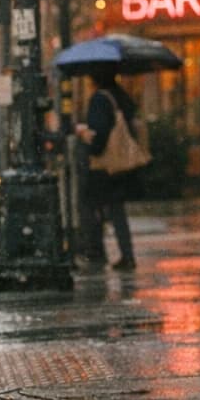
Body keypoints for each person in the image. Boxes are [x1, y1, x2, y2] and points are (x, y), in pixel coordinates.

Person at [76, 64, 140, 271]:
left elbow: (99, 134)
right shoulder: (121, 96)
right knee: (116, 209)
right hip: (120, 163)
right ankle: (126, 254)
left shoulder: (100, 99)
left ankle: (96, 250)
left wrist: (86, 136)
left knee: (91, 205)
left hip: (104, 165)